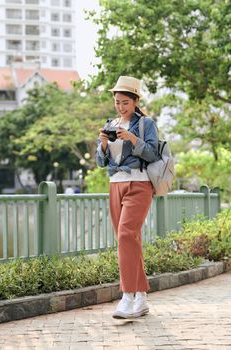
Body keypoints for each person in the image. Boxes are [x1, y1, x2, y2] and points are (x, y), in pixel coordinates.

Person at [95, 76, 159, 319]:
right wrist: (102, 145)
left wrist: (133, 139)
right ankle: (141, 298)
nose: (121, 107)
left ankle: (127, 296)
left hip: (139, 183)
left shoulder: (146, 124)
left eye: (125, 102)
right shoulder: (110, 123)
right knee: (129, 239)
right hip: (115, 184)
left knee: (125, 234)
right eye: (117, 102)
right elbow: (100, 162)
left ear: (135, 101)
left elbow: (152, 154)